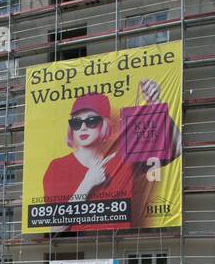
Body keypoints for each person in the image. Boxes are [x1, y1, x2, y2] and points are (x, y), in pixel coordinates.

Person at [41, 82, 180, 229]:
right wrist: (87, 183)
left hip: (118, 246)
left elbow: (177, 147)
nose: (83, 127)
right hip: (80, 246)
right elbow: (56, 228)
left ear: (105, 124)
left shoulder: (123, 159)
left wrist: (156, 105)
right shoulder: (57, 167)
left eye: (91, 121)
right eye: (76, 122)